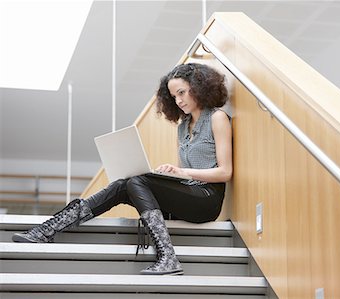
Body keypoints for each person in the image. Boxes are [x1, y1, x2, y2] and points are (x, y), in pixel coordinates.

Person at [12, 63, 233, 276]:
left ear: (199, 87)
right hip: (187, 195)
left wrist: (184, 172)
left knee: (137, 181)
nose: (178, 100)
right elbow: (184, 176)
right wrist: (169, 174)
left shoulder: (217, 118)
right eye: (174, 96)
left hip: (206, 200)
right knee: (124, 184)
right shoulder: (183, 127)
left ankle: (167, 256)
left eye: (182, 93)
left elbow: (225, 172)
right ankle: (49, 229)